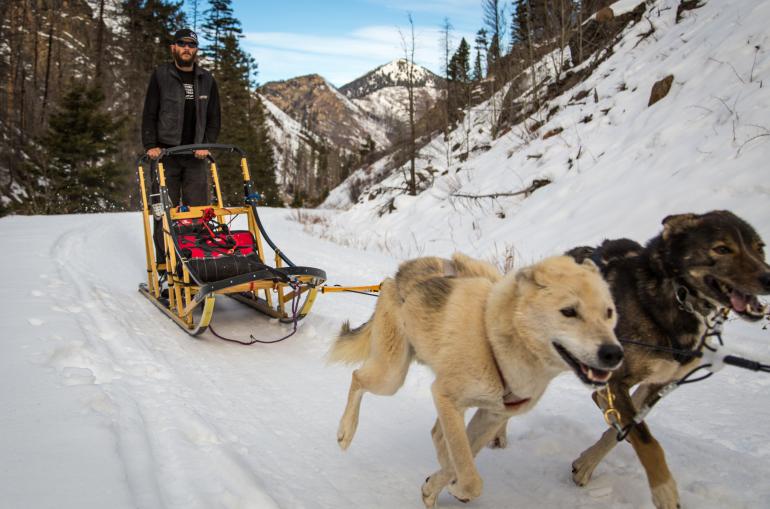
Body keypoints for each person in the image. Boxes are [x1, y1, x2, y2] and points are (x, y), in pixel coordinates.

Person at [142, 28, 221, 266]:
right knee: (163, 213)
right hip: (165, 155)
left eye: (191, 44)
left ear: (196, 50)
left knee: (199, 213)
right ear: (173, 47)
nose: (187, 48)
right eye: (182, 43)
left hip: (195, 157)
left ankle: (196, 262)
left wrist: (205, 145)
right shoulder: (161, 75)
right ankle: (165, 266)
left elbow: (214, 118)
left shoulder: (207, 80)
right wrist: (151, 145)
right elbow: (150, 113)